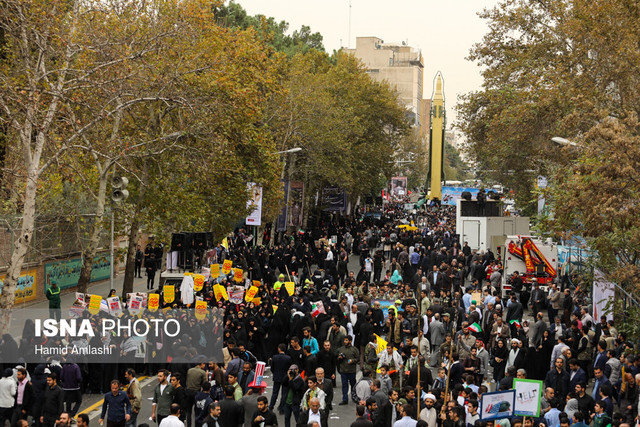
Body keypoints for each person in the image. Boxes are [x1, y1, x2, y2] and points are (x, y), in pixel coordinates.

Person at [337, 336, 360, 405]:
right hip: (343, 370)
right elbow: (338, 359)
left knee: (353, 385)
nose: (345, 342)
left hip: (351, 371)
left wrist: (352, 361)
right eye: (344, 340)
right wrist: (340, 357)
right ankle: (345, 399)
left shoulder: (354, 349)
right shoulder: (341, 349)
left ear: (350, 341)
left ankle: (354, 397)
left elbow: (358, 359)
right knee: (344, 385)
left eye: (346, 340)